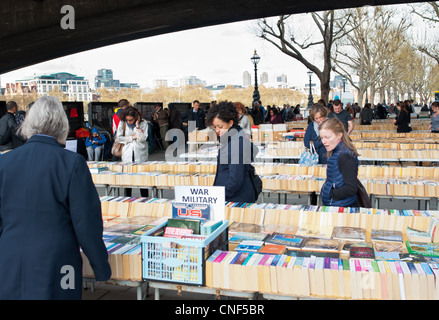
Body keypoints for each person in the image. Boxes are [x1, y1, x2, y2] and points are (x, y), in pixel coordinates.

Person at [0, 96, 111, 299]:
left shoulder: (4, 162)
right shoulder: (72, 163)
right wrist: (101, 266)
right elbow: (86, 221)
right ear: (62, 125)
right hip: (58, 260)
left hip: (9, 256)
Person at [207, 101, 259, 203]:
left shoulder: (236, 142)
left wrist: (217, 197)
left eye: (220, 126)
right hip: (236, 196)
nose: (217, 130)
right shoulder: (234, 137)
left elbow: (235, 179)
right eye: (215, 127)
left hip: (236, 198)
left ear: (230, 123)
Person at [319, 117, 360, 208]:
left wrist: (331, 193)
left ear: (339, 135)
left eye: (327, 137)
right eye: (322, 138)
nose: (324, 142)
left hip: (342, 205)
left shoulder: (345, 156)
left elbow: (351, 188)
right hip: (336, 204)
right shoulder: (337, 151)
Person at [116, 106, 149, 197]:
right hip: (127, 153)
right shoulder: (122, 123)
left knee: (143, 178)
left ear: (136, 117)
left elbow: (143, 138)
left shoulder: (144, 123)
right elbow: (119, 138)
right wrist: (132, 137)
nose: (129, 122)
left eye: (131, 120)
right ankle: (127, 198)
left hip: (140, 152)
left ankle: (145, 198)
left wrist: (138, 126)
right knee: (127, 179)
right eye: (127, 120)